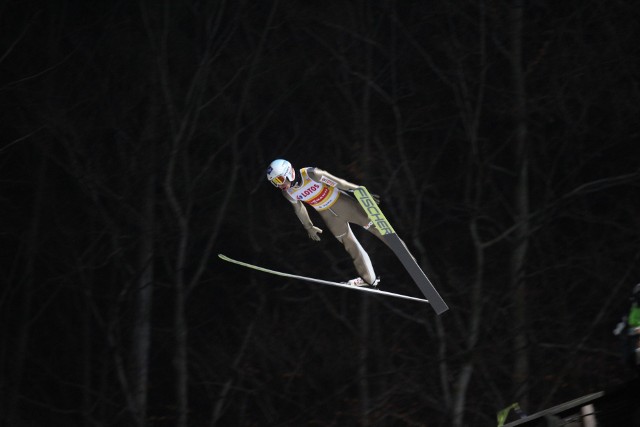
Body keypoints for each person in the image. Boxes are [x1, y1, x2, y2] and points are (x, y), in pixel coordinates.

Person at [266, 158, 386, 287]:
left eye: (279, 180)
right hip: (328, 215)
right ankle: (369, 279)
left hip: (341, 203)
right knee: (350, 244)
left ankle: (401, 250)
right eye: (274, 182)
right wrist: (308, 226)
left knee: (375, 227)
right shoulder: (288, 193)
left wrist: (358, 190)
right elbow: (299, 208)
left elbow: (338, 182)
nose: (279, 185)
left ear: (288, 172)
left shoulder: (311, 174)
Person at [613, 283, 640, 372]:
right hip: (633, 332)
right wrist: (619, 328)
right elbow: (625, 318)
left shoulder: (632, 305)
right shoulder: (631, 305)